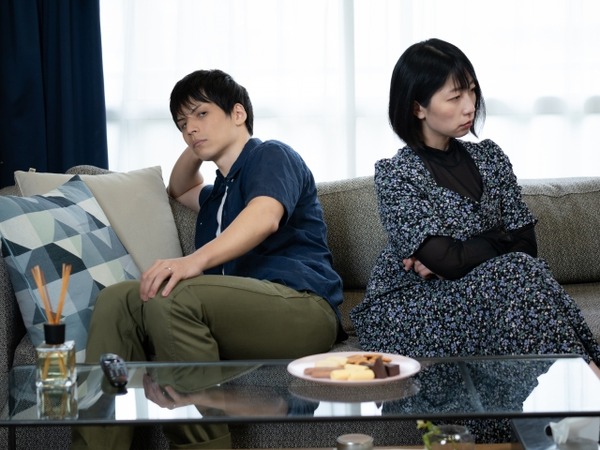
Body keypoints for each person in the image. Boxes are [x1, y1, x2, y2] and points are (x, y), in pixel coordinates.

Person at [71, 69, 345, 449]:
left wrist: (192, 262)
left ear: (238, 113)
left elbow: (265, 216)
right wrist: (202, 139)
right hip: (234, 316)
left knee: (173, 295)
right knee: (117, 299)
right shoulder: (216, 195)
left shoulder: (271, 155)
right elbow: (179, 186)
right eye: (182, 124)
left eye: (201, 113)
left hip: (301, 308)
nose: (189, 129)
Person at [350, 38, 600, 440]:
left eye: (471, 91)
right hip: (412, 305)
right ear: (417, 107)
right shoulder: (397, 175)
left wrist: (462, 251)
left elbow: (526, 245)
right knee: (517, 272)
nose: (470, 106)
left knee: (520, 272)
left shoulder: (491, 158)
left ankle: (577, 406)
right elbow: (450, 261)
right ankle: (589, 390)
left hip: (494, 289)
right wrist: (496, 239)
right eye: (454, 97)